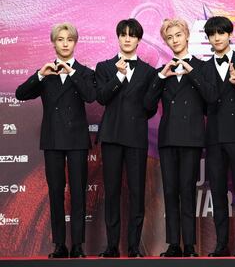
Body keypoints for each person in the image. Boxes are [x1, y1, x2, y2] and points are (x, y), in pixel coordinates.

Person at [15, 22, 96, 258]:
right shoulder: (46, 73)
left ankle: (78, 245)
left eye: (69, 40)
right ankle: (59, 245)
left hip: (78, 141)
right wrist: (40, 74)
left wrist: (71, 73)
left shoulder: (84, 72)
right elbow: (21, 93)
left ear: (75, 43)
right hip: (52, 141)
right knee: (56, 192)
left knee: (79, 192)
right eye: (60, 39)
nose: (65, 44)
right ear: (53, 43)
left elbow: (91, 96)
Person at [144, 18, 216, 257]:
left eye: (178, 35)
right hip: (167, 139)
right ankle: (173, 244)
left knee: (187, 191)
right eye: (170, 37)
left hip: (192, 139)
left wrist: (192, 73)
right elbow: (147, 106)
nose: (175, 40)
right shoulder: (161, 72)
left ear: (186, 36)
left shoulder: (203, 67)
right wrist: (160, 78)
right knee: (170, 191)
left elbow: (211, 98)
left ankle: (190, 246)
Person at [95, 18, 156, 258]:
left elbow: (149, 108)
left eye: (132, 35)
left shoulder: (149, 72)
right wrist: (119, 77)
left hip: (136, 138)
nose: (127, 39)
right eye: (123, 35)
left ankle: (133, 247)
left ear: (139, 40)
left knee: (137, 193)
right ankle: (112, 246)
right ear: (118, 38)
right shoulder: (104, 67)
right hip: (111, 136)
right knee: (111, 192)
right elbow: (101, 97)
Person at [201, 16, 235, 257]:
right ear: (209, 39)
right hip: (213, 139)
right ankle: (221, 244)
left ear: (230, 34)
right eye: (212, 34)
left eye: (221, 33)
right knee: (218, 193)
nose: (217, 38)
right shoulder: (202, 68)